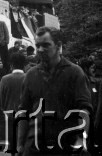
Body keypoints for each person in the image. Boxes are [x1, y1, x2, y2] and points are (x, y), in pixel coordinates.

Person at [17, 26, 92, 156]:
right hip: (34, 147)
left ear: (58, 45)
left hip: (65, 146)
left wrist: (81, 140)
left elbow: (84, 109)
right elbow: (23, 112)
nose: (40, 49)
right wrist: (19, 145)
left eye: (46, 45)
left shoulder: (74, 73)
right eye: (38, 45)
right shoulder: (30, 75)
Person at [0, 52, 26, 154]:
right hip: (25, 115)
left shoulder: (5, 79)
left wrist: (5, 110)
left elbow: (2, 99)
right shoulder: (28, 77)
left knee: (12, 142)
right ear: (24, 64)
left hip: (10, 114)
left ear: (11, 64)